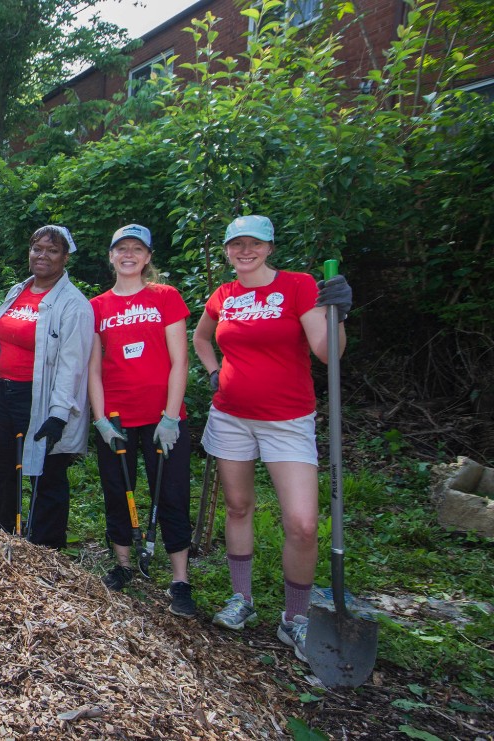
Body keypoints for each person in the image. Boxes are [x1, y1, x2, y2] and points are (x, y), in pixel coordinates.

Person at [192, 215, 353, 662]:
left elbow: (327, 353)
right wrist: (211, 371)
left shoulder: (299, 286)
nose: (246, 251)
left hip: (288, 420)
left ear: (269, 247)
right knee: (239, 507)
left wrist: (339, 315)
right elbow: (202, 338)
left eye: (255, 243)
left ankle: (295, 619)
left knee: (302, 524)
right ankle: (241, 599)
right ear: (227, 250)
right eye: (237, 244)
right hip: (231, 418)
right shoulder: (223, 295)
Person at [88, 224, 196, 618]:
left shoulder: (165, 297)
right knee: (118, 490)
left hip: (161, 419)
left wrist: (170, 416)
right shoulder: (97, 306)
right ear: (112, 256)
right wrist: (100, 419)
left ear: (148, 257)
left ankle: (180, 580)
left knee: (171, 494)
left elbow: (180, 360)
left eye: (137, 249)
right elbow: (93, 369)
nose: (129, 255)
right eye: (121, 249)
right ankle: (122, 565)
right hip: (116, 419)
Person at [0, 225, 92, 548]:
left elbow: (73, 364)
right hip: (5, 393)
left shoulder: (74, 305)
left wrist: (59, 413)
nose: (42, 255)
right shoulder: (18, 291)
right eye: (37, 248)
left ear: (65, 257)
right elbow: (4, 339)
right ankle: (3, 537)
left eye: (52, 250)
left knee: (47, 474)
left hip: (41, 397)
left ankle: (46, 548)